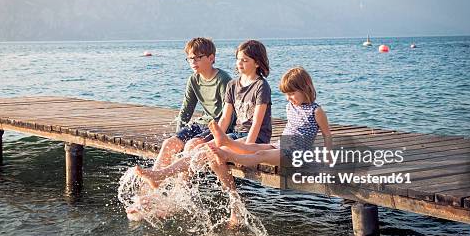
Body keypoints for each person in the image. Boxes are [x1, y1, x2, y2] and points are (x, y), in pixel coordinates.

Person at [135, 40, 272, 193]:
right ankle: (161, 181)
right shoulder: (233, 85)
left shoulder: (261, 86)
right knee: (201, 148)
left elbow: (256, 124)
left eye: (245, 60)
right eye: (238, 59)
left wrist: (247, 148)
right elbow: (225, 118)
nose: (239, 63)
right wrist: (216, 138)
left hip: (255, 138)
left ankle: (164, 178)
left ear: (257, 63)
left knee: (205, 152)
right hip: (236, 134)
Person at [208, 67, 332, 171]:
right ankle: (226, 142)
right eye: (286, 94)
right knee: (254, 147)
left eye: (291, 93)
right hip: (282, 145)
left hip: (296, 154)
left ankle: (228, 155)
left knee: (261, 155)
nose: (288, 98)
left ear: (305, 88)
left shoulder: (316, 111)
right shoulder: (290, 106)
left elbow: (327, 135)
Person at [153, 37, 232, 170]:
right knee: (169, 143)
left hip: (218, 126)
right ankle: (155, 182)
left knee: (191, 145)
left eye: (198, 58)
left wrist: (220, 137)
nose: (193, 62)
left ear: (211, 58)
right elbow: (186, 110)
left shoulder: (223, 79)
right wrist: (178, 135)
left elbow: (228, 115)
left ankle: (182, 188)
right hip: (202, 123)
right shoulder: (193, 79)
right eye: (190, 58)